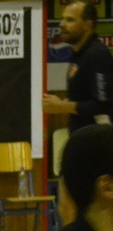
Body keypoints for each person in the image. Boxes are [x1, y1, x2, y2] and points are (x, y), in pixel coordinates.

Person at [42, 0, 113, 132]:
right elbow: (83, 97)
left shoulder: (96, 54)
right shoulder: (78, 53)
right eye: (63, 19)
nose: (62, 24)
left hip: (98, 139)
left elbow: (103, 105)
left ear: (88, 25)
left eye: (70, 20)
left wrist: (63, 107)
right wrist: (63, 103)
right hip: (81, 136)